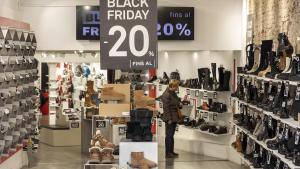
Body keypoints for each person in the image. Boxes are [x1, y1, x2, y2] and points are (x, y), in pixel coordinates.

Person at [161, 79, 181, 158]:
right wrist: (169, 119)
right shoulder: (166, 94)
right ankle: (168, 153)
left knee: (171, 135)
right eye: (176, 86)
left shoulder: (173, 93)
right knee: (168, 136)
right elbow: (166, 108)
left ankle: (171, 151)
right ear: (172, 86)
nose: (177, 88)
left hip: (174, 117)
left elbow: (176, 102)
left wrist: (180, 104)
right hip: (169, 118)